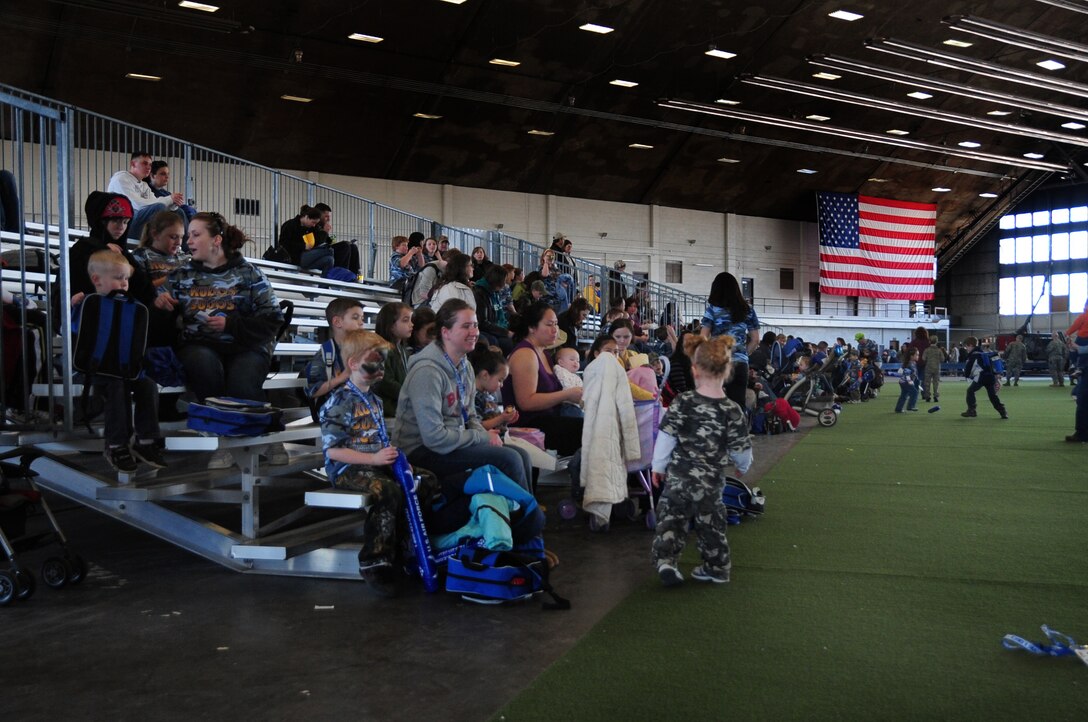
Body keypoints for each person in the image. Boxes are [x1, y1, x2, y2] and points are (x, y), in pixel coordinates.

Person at [155, 212, 287, 469]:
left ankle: (268, 434)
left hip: (246, 345)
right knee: (202, 364)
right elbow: (160, 307)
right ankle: (223, 439)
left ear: (216, 240)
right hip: (200, 345)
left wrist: (232, 324)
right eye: (188, 235)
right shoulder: (181, 275)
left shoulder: (249, 274)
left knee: (243, 379)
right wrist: (159, 302)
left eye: (195, 235)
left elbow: (272, 320)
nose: (188, 241)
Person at [392, 299, 531, 492]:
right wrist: (480, 438)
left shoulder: (464, 365)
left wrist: (483, 435)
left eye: (475, 325)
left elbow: (471, 415)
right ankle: (523, 519)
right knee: (509, 459)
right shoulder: (427, 372)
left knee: (521, 455)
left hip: (452, 441)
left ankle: (516, 515)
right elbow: (434, 438)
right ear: (445, 332)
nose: (474, 332)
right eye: (466, 326)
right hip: (420, 450)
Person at [651, 334, 753, 587]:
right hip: (711, 484)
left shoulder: (682, 402)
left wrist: (658, 466)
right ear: (728, 370)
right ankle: (716, 568)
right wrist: (742, 467)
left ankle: (666, 561)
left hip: (678, 480)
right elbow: (742, 448)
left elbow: (666, 437)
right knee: (712, 526)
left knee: (671, 520)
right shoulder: (732, 409)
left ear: (694, 370)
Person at [319, 329, 408, 597]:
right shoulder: (339, 401)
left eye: (383, 362)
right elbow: (333, 452)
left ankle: (406, 546)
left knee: (422, 481)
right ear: (353, 363)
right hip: (348, 469)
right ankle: (374, 561)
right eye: (374, 361)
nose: (380, 368)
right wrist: (373, 458)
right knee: (387, 490)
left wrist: (396, 461)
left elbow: (379, 439)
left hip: (374, 462)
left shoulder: (375, 400)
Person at [71, 249, 164, 473]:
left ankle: (147, 440)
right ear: (97, 280)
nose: (123, 284)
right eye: (117, 278)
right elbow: (71, 331)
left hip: (123, 368)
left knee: (147, 384)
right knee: (115, 387)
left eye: (125, 279)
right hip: (94, 370)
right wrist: (73, 307)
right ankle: (116, 444)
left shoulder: (131, 307)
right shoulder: (87, 304)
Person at [502, 301, 584, 459]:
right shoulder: (525, 354)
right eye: (549, 325)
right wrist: (566, 395)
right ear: (532, 327)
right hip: (530, 425)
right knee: (590, 431)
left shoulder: (544, 353)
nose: (555, 330)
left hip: (548, 419)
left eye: (556, 324)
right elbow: (526, 402)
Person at [700, 272, 760, 408]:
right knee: (737, 408)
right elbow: (755, 340)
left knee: (714, 407)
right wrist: (744, 354)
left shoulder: (712, 310)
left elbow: (703, 338)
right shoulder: (748, 310)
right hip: (740, 364)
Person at [108, 151, 187, 241]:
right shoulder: (121, 179)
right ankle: (158, 242)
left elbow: (154, 202)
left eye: (150, 165)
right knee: (159, 207)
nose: (149, 167)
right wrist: (169, 199)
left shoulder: (144, 185)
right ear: (133, 164)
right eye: (145, 163)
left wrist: (173, 203)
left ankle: (184, 249)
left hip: (136, 219)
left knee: (178, 212)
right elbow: (137, 205)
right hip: (124, 223)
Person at [304, 298, 366, 414]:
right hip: (332, 416)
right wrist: (342, 377)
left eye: (362, 318)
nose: (361, 322)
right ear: (337, 322)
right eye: (355, 317)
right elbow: (313, 391)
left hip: (356, 411)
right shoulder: (326, 352)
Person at [372, 301, 413, 417]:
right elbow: (385, 382)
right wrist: (409, 395)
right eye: (405, 320)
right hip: (388, 410)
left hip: (401, 407)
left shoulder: (404, 350)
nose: (411, 324)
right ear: (390, 326)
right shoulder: (381, 350)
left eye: (411, 320)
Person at [132, 209, 189, 289]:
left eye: (181, 237)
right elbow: (137, 289)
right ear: (155, 234)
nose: (179, 242)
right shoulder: (141, 256)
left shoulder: (183, 258)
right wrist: (169, 278)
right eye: (173, 237)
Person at [961, 336, 1007, 420]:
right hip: (990, 377)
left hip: (981, 378)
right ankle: (1003, 411)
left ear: (970, 345)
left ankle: (972, 410)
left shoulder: (974, 355)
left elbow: (969, 368)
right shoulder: (983, 353)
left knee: (970, 391)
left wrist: (967, 375)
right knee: (992, 396)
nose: (966, 349)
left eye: (966, 346)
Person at [278, 205, 333, 273]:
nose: (314, 225)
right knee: (330, 250)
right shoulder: (290, 225)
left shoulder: (312, 228)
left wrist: (325, 233)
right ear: (306, 217)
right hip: (295, 257)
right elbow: (283, 244)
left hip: (308, 256)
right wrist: (303, 246)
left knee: (330, 260)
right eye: (313, 222)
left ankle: (325, 283)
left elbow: (320, 241)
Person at [473, 263, 513, 354]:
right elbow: (483, 323)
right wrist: (505, 333)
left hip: (497, 326)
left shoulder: (495, 292)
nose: (505, 284)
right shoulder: (480, 293)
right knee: (505, 343)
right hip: (485, 329)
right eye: (504, 280)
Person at [553, 346, 584, 418]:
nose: (576, 362)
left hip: (577, 405)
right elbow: (564, 383)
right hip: (567, 405)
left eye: (578, 361)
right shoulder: (560, 370)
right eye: (572, 359)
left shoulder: (576, 376)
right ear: (561, 362)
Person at [894, 347, 920, 413]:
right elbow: (906, 374)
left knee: (904, 395)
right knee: (915, 392)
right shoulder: (909, 364)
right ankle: (910, 407)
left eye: (918, 355)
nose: (918, 356)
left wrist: (916, 378)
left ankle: (898, 409)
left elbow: (914, 373)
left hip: (904, 382)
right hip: (906, 382)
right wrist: (910, 381)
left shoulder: (913, 363)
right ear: (911, 356)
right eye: (916, 355)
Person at [921, 336, 945, 403]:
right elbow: (943, 359)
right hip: (937, 368)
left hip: (928, 368)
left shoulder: (927, 350)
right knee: (936, 383)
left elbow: (923, 358)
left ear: (929, 341)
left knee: (927, 383)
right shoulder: (939, 350)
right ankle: (936, 396)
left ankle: (927, 396)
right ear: (937, 342)